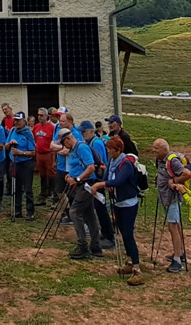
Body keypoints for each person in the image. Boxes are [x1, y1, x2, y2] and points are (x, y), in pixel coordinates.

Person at [103, 135, 144, 285]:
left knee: (128, 234)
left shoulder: (125, 164)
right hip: (118, 202)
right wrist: (106, 183)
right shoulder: (112, 161)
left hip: (128, 203)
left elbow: (119, 180)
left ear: (118, 150)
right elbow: (108, 176)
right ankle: (129, 262)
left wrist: (102, 184)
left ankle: (137, 269)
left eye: (110, 149)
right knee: (122, 232)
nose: (108, 152)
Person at [59, 128, 102, 259]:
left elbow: (91, 167)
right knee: (89, 214)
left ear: (68, 139)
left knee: (74, 212)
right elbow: (76, 167)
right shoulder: (74, 149)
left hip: (86, 185)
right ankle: (95, 247)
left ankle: (83, 246)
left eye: (63, 143)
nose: (63, 146)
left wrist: (77, 179)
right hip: (81, 185)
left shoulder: (81, 148)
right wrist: (69, 177)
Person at [152, 138, 189, 274]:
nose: (153, 150)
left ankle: (177, 260)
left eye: (156, 148)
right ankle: (180, 252)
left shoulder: (172, 160)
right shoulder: (160, 160)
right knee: (175, 224)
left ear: (164, 149)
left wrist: (174, 181)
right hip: (165, 198)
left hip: (172, 199)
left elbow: (187, 174)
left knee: (173, 226)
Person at [83, 121, 115, 248]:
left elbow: (101, 164)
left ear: (91, 131)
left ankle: (109, 236)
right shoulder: (90, 142)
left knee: (101, 208)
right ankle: (105, 232)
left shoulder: (96, 143)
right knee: (98, 207)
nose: (82, 134)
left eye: (84, 132)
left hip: (98, 179)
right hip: (95, 179)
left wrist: (100, 181)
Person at [8, 111, 36, 220]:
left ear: (24, 121)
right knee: (16, 187)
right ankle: (17, 210)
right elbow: (6, 145)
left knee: (28, 188)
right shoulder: (12, 131)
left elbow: (33, 152)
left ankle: (30, 212)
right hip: (14, 162)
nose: (16, 122)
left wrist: (21, 152)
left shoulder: (28, 133)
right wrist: (10, 144)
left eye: (18, 120)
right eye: (15, 120)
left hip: (26, 163)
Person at [32, 112, 55, 205]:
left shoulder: (51, 128)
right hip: (39, 154)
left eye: (42, 115)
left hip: (48, 153)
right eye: (38, 115)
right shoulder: (36, 127)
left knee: (51, 174)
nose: (39, 117)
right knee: (42, 174)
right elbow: (34, 139)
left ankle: (53, 194)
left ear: (47, 116)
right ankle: (43, 193)